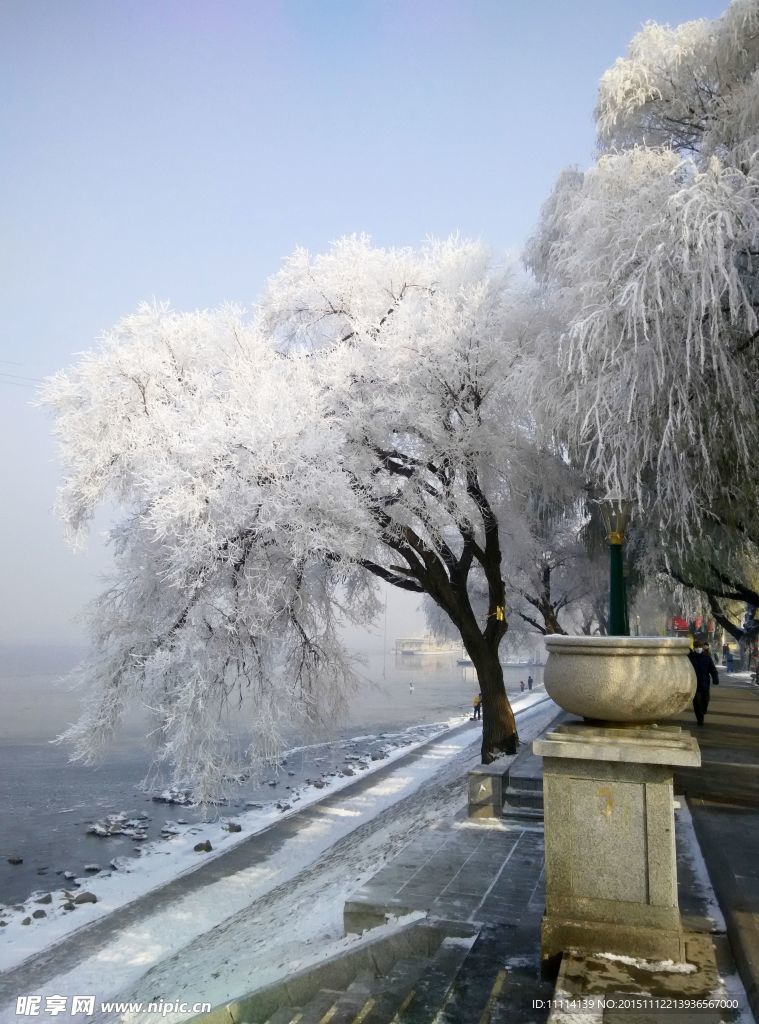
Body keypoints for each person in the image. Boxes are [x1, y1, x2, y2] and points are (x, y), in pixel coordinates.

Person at [688, 640, 719, 726]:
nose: (698, 648)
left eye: (699, 647)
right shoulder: (690, 657)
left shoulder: (707, 657)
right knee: (697, 702)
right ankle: (700, 718)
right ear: (694, 648)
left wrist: (715, 678)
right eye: (696, 647)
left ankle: (704, 710)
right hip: (694, 684)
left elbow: (712, 669)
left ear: (702, 648)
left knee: (706, 700)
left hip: (705, 683)